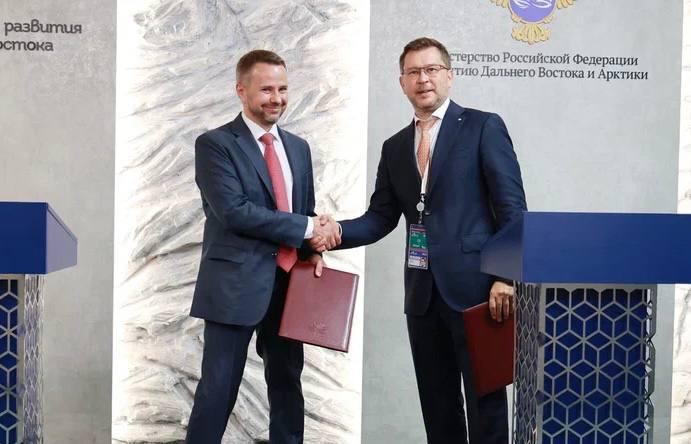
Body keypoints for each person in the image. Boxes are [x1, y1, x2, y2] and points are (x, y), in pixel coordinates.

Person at [313, 37, 527, 443]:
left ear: (449, 75)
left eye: (431, 70)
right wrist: (335, 231)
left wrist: (507, 276)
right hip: (422, 295)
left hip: (479, 291)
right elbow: (380, 218)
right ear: (402, 82)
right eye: (413, 72)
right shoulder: (394, 147)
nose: (423, 79)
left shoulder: (483, 126)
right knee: (437, 405)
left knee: (486, 404)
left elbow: (513, 208)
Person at [186, 49, 340, 444]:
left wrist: (314, 249)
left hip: (290, 285)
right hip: (234, 286)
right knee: (218, 389)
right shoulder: (215, 144)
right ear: (241, 90)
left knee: (288, 385)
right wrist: (309, 226)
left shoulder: (299, 147)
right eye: (267, 89)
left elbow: (302, 211)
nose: (277, 98)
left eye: (283, 89)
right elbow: (234, 212)